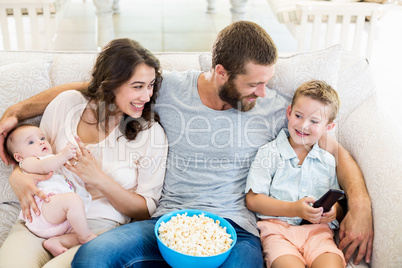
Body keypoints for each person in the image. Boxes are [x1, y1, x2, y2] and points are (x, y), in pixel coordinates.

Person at [0, 21, 372, 267]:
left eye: (267, 82)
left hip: (235, 229)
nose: (264, 92)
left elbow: (335, 150)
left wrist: (361, 204)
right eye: (254, 84)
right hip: (165, 221)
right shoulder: (165, 90)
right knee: (92, 259)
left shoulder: (274, 108)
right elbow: (94, 89)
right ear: (221, 73)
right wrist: (19, 110)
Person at [0, 38, 168, 267]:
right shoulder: (67, 103)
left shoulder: (150, 133)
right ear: (112, 84)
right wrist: (18, 176)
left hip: (96, 229)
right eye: (137, 86)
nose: (147, 96)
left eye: (150, 86)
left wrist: (98, 178)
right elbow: (36, 157)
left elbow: (146, 210)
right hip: (43, 216)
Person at [246, 80, 345, 268]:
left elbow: (337, 200)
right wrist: (295, 209)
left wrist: (334, 212)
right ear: (289, 112)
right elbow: (253, 200)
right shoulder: (269, 153)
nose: (304, 125)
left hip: (318, 234)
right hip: (278, 233)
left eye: (314, 121)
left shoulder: (328, 161)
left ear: (328, 128)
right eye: (299, 116)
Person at [5, 124, 96, 257]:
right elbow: (44, 166)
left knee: (78, 229)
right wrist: (63, 155)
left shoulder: (53, 160)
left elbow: (70, 172)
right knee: (72, 200)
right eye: (31, 142)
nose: (40, 141)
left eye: (42, 137)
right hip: (44, 208)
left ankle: (56, 241)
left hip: (58, 217)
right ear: (19, 157)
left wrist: (81, 156)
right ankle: (86, 237)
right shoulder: (28, 162)